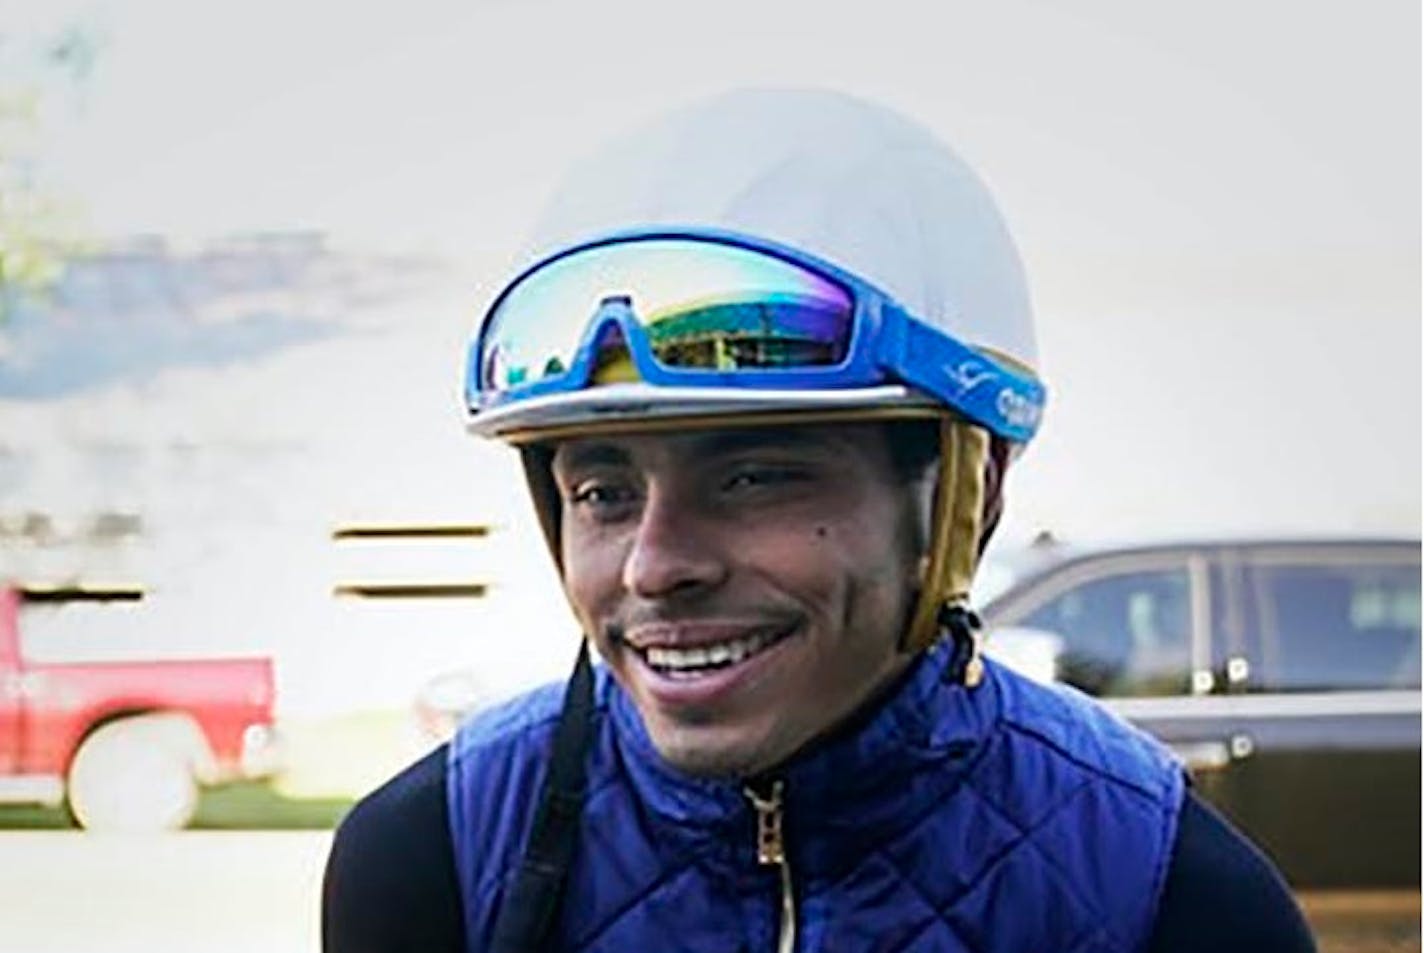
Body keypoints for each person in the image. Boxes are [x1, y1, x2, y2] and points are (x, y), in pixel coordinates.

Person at [322, 88, 1315, 952]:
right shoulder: (427, 857)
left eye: (754, 476)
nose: (652, 566)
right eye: (603, 491)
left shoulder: (1170, 893)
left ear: (966, 495)